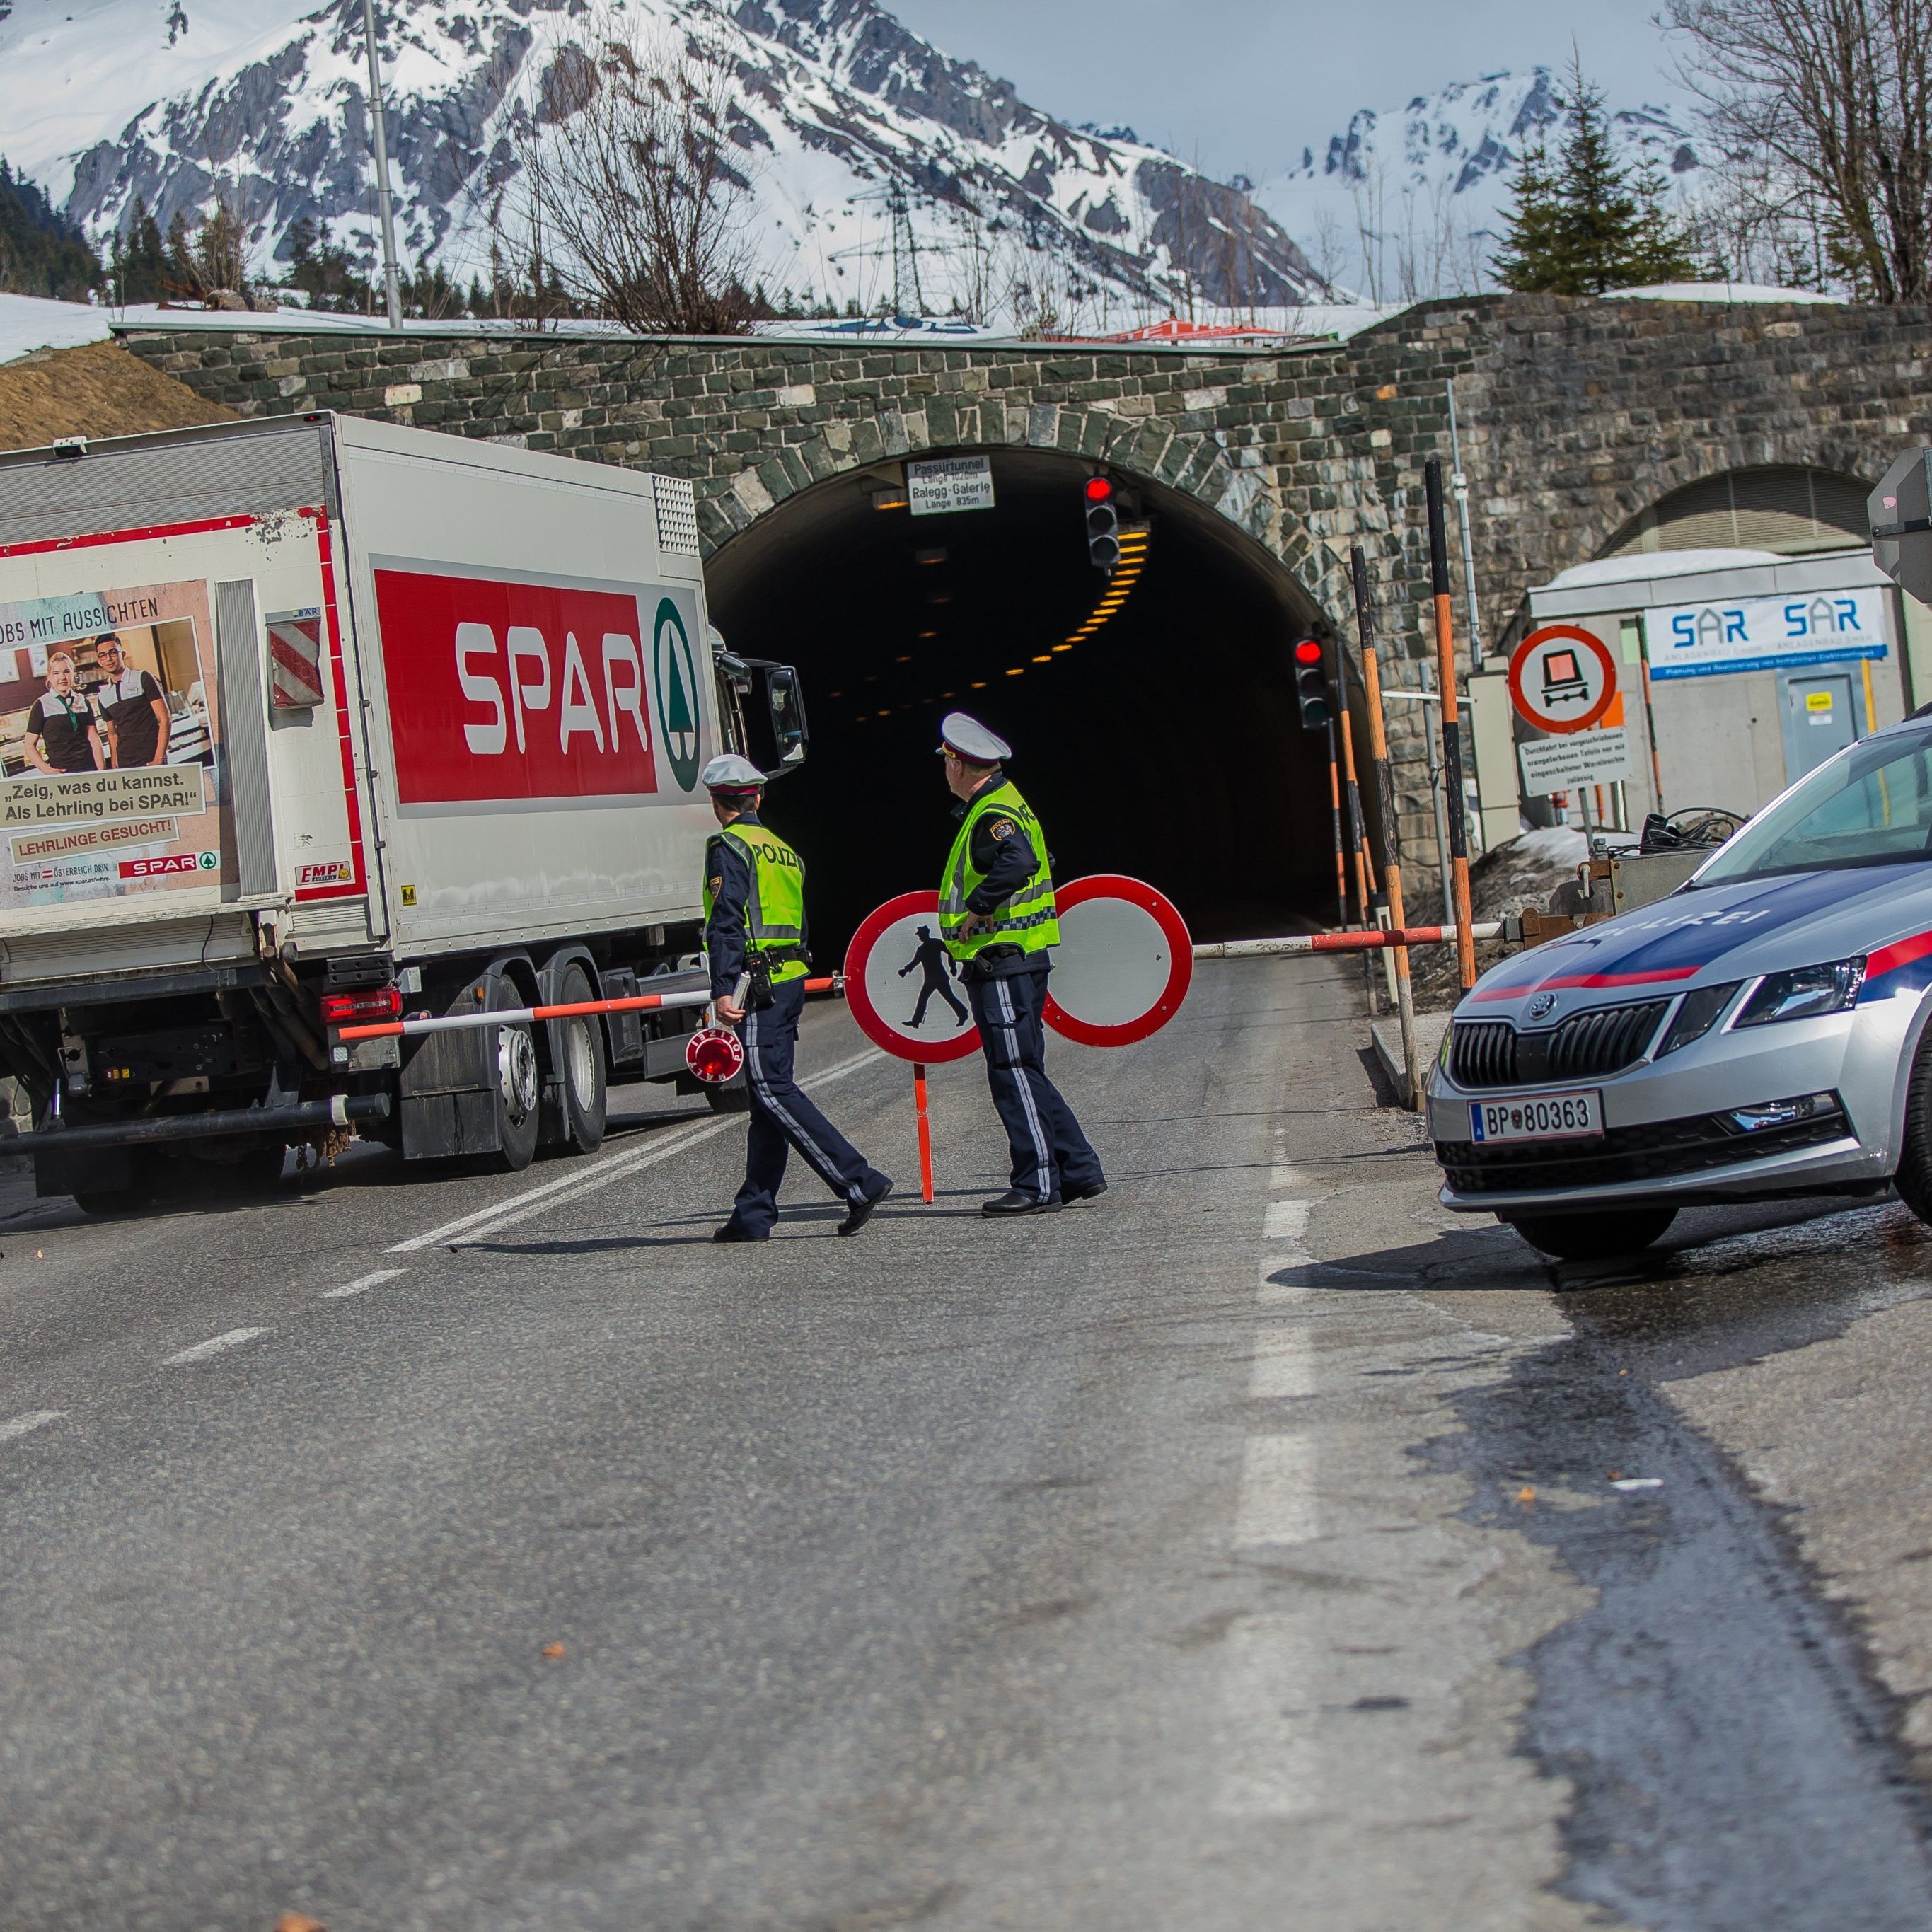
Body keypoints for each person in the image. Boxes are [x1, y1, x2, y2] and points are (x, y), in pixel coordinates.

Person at [700, 752, 893, 1242]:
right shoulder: (783, 849)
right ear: (757, 796)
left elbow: (726, 921)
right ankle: (753, 1214)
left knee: (768, 1090)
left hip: (754, 983)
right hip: (786, 980)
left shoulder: (729, 846)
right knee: (767, 1104)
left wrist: (723, 990)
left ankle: (857, 1180)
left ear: (716, 802)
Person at [937, 712, 1105, 1216]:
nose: (944, 771)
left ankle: (1036, 1183)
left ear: (961, 765)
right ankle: (1076, 1168)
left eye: (946, 762)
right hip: (1018, 958)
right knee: (1025, 1069)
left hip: (1002, 960)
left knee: (1012, 1070)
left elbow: (1020, 861)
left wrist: (979, 908)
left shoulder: (992, 814)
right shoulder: (1006, 803)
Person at [92, 634, 172, 769]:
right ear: (99, 661)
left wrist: (159, 758)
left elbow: (165, 718)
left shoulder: (143, 678)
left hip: (151, 758)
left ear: (122, 654)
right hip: (125, 763)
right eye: (103, 655)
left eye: (113, 653)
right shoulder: (103, 696)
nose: (109, 659)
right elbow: (112, 734)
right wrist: (114, 763)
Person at [23, 652, 103, 775]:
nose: (62, 678)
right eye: (56, 673)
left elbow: (93, 737)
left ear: (73, 674)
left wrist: (101, 769)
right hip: (62, 773)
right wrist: (48, 770)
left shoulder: (82, 700)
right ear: (49, 676)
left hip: (89, 768)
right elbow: (29, 745)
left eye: (67, 671)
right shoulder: (41, 704)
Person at [897, 923, 968, 1029]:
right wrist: (906, 970)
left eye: (920, 935)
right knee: (925, 999)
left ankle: (963, 1015)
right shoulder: (923, 948)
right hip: (931, 979)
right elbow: (915, 962)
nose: (919, 937)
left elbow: (950, 952)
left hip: (938, 978)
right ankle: (916, 1022)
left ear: (925, 934)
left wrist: (952, 966)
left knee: (948, 998)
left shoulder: (935, 943)